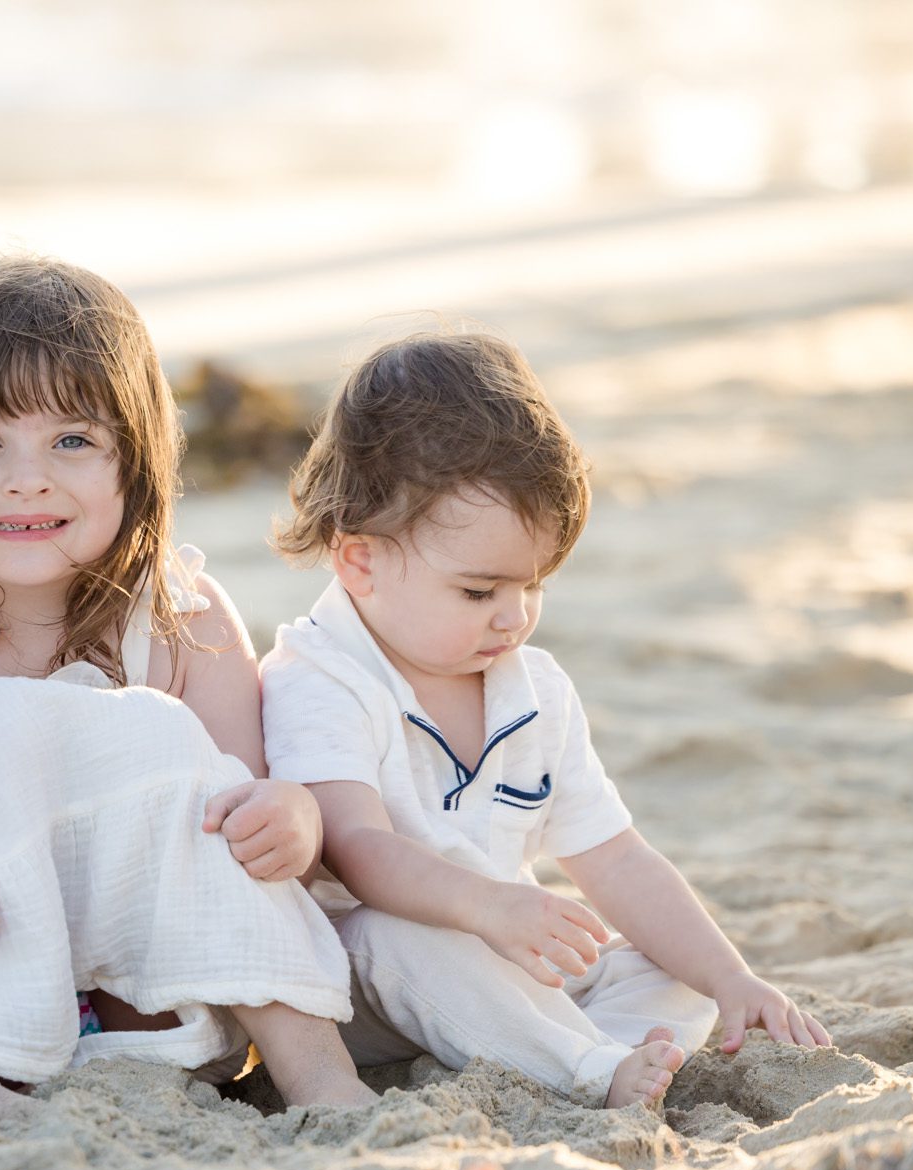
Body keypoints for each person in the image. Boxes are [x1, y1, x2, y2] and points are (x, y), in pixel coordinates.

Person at [0, 255, 373, 1127]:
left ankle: (317, 1070)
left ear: (133, 468)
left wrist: (292, 819)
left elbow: (242, 816)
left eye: (72, 441)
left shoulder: (182, 618)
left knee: (174, 753)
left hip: (157, 1007)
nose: (26, 477)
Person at [261, 329, 831, 1108]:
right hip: (367, 970)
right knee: (399, 936)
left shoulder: (533, 688)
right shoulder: (318, 675)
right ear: (360, 561)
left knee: (669, 966)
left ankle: (605, 1047)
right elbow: (359, 850)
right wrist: (488, 905)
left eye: (534, 586)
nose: (515, 617)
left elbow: (617, 859)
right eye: (479, 591)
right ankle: (587, 1069)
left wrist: (733, 976)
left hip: (500, 943)